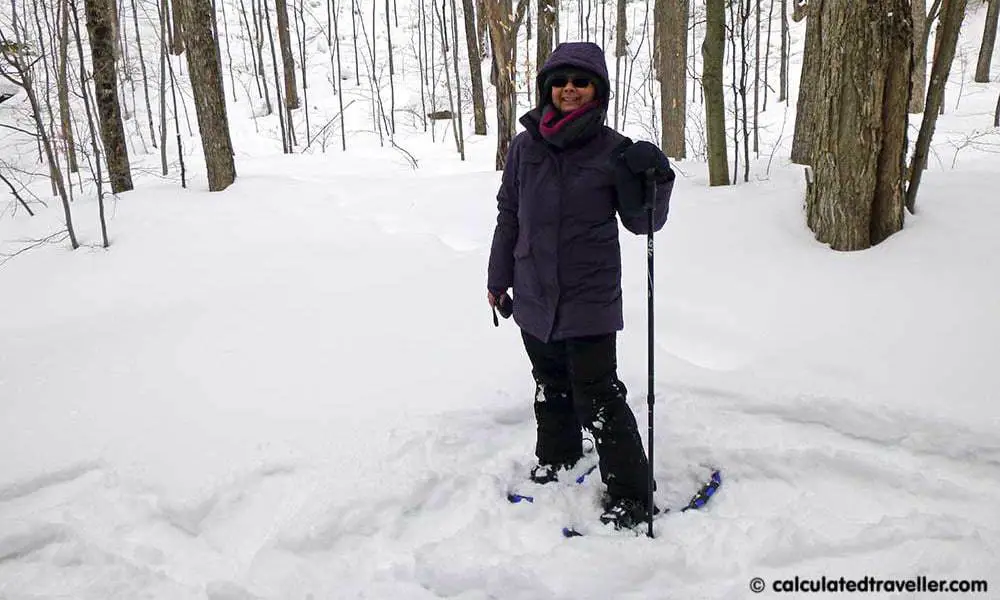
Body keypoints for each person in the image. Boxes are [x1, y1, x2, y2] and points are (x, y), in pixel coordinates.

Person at [487, 41, 675, 529]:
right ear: (547, 87)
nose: (569, 89)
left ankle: (632, 492)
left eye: (580, 82)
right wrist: (497, 276)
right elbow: (510, 213)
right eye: (560, 81)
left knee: (598, 393)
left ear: (597, 91)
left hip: (589, 293)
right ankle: (560, 455)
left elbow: (643, 223)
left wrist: (657, 180)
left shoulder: (615, 151)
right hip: (531, 290)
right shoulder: (525, 146)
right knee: (550, 384)